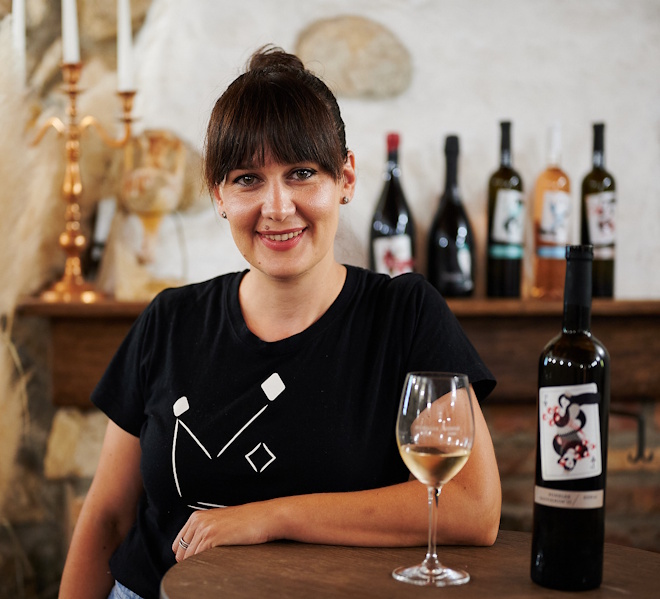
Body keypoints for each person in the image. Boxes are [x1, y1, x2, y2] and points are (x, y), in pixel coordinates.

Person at [58, 45, 501, 599]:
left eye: (301, 173)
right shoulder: (168, 320)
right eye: (247, 179)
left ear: (345, 178)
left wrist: (267, 517)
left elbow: (471, 507)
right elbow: (106, 518)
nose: (277, 207)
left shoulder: (406, 316)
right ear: (219, 194)